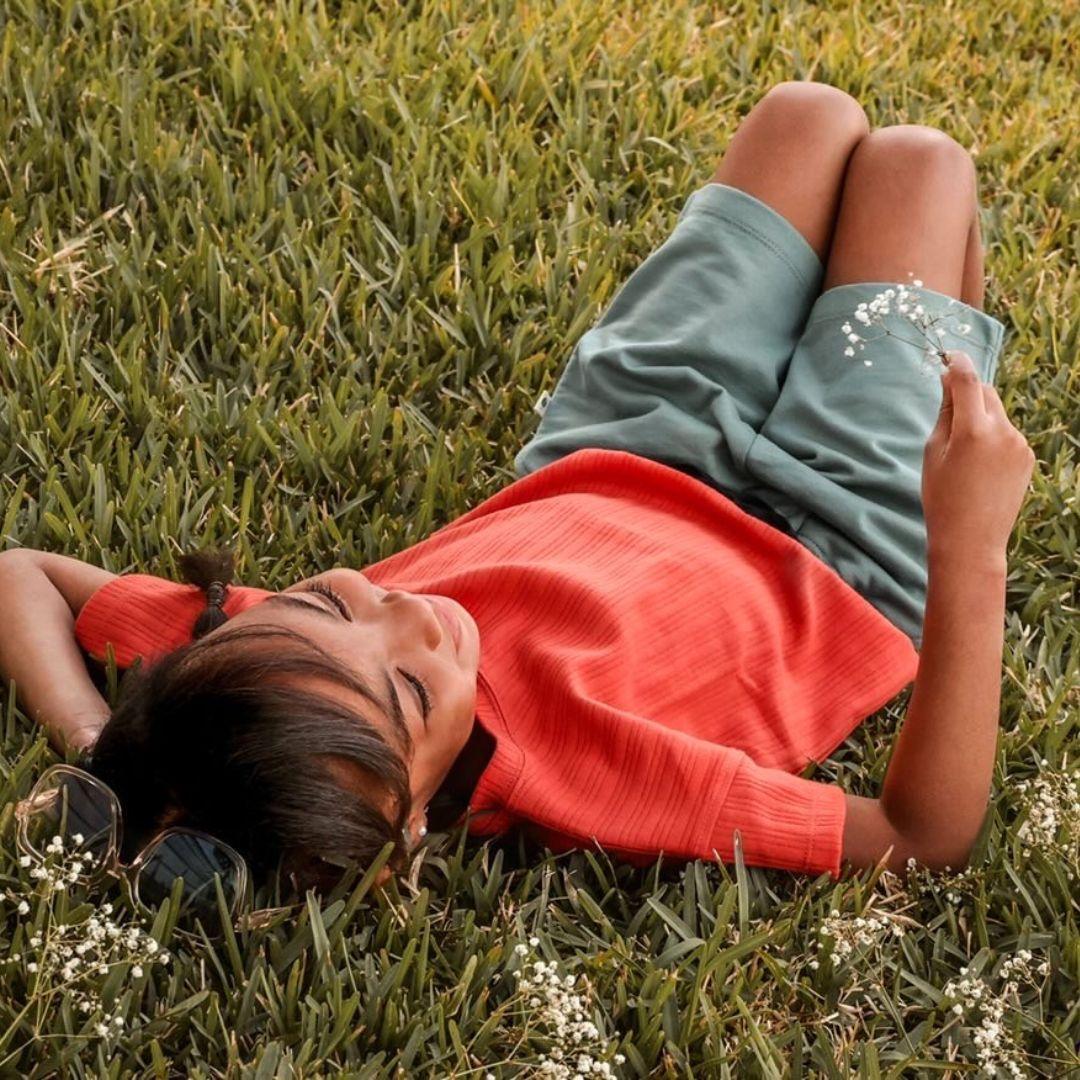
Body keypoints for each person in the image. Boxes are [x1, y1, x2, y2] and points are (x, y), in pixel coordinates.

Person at [0, 81, 1036, 894]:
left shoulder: (258, 682)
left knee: (807, 117)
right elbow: (919, 837)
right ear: (406, 832)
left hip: (631, 443)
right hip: (831, 544)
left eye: (328, 598)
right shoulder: (594, 784)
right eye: (409, 691)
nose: (401, 615)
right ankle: (940, 377)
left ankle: (877, 338)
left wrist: (93, 741)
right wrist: (970, 545)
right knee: (921, 164)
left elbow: (21, 575)